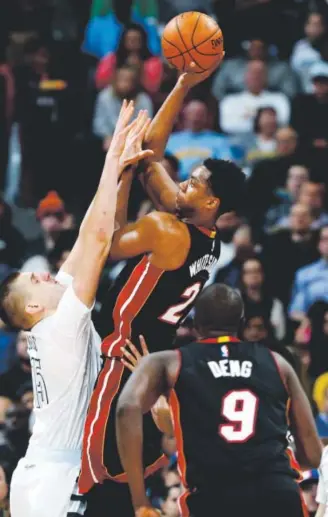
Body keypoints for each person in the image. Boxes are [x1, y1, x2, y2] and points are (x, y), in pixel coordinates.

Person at [78, 62, 245, 516]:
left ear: (210, 202)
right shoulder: (206, 236)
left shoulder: (167, 231)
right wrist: (183, 85)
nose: (183, 182)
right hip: (150, 356)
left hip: (121, 353)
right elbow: (154, 155)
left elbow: (107, 243)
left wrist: (125, 171)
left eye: (193, 181)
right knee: (127, 474)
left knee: (96, 479)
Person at [0, 102, 153, 517]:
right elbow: (100, 243)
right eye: (35, 280)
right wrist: (112, 159)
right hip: (57, 473)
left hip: (38, 468)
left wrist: (120, 174)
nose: (45, 274)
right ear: (32, 305)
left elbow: (88, 234)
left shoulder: (55, 311)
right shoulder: (62, 324)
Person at [116, 283, 322, 517]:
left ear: (195, 325)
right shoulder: (277, 363)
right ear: (242, 323)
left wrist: (140, 500)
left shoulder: (171, 362)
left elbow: (126, 409)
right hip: (277, 496)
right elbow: (313, 455)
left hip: (214, 498)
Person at [95, 23, 163, 95]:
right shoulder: (110, 59)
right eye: (129, 39)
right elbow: (100, 84)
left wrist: (140, 69)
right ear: (123, 40)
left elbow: (153, 88)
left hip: (141, 98)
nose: (132, 43)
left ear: (143, 41)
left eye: (136, 40)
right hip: (114, 97)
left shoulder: (153, 62)